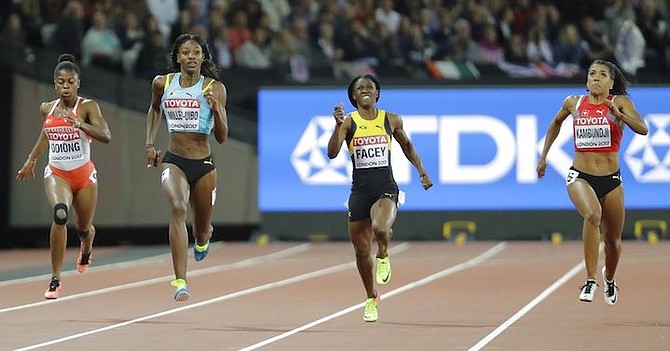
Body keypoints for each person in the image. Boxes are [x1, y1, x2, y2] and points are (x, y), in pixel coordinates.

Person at [537, 59, 648, 306]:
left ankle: (609, 278)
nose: (595, 78)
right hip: (580, 175)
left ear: (611, 82)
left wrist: (622, 117)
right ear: (587, 80)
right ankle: (590, 279)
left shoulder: (620, 102)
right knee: (592, 215)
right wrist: (544, 156)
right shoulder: (573, 103)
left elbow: (643, 129)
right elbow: (556, 122)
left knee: (613, 242)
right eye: (591, 74)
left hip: (611, 180)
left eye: (602, 74)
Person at [327, 74, 433, 322]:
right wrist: (336, 125)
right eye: (359, 88)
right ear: (353, 95)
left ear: (377, 93)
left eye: (369, 87)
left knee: (381, 226)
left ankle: (383, 253)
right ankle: (371, 296)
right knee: (361, 252)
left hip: (385, 187)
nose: (364, 90)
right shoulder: (348, 123)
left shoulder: (391, 119)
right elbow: (332, 153)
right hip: (359, 193)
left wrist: (422, 172)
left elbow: (407, 146)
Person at [16, 53, 112, 299]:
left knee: (83, 229)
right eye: (61, 82)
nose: (66, 86)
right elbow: (47, 134)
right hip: (57, 173)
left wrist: (80, 124)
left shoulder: (88, 106)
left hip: (84, 175)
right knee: (60, 214)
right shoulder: (47, 108)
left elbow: (106, 135)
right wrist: (31, 159)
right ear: (55, 83)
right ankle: (55, 278)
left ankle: (87, 246)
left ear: (78, 83)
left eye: (71, 82)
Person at [144, 33, 228, 302]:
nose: (191, 57)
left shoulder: (214, 88)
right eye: (185, 52)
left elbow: (222, 137)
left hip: (203, 164)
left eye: (196, 52)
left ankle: (203, 238)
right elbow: (154, 109)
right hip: (174, 160)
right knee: (178, 207)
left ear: (203, 57)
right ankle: (180, 280)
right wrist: (149, 142)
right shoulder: (162, 83)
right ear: (177, 58)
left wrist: (216, 111)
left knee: (201, 229)